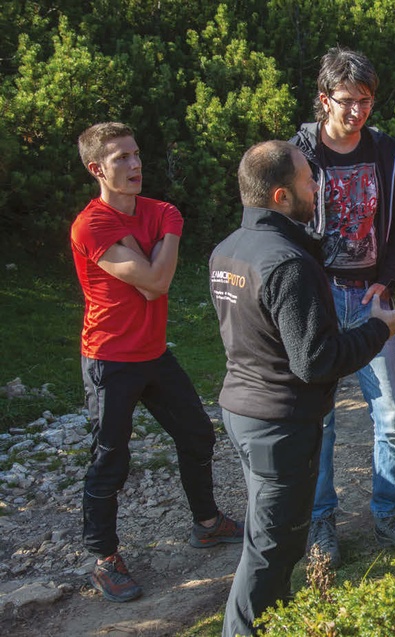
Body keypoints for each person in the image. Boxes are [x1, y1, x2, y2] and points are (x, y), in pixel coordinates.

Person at [211, 140, 395, 637]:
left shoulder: (228, 250)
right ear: (281, 195)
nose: (318, 185)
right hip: (279, 425)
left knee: (272, 542)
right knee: (271, 552)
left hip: (243, 410)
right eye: (309, 179)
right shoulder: (287, 263)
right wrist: (381, 329)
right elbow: (316, 362)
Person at [70, 122, 243, 604]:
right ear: (96, 169)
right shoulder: (94, 224)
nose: (134, 165)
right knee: (110, 458)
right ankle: (104, 558)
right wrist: (167, 237)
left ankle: (207, 523)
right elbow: (155, 282)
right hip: (109, 359)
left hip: (154, 353)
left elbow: (153, 275)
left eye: (136, 153)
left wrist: (163, 233)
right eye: (121, 158)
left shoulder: (159, 211)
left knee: (197, 434)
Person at [289, 47, 395, 564]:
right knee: (320, 417)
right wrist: (305, 288)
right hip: (319, 300)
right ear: (325, 99)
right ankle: (321, 523)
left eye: (366, 100)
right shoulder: (297, 152)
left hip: (371, 298)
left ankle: (388, 514)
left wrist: (388, 281)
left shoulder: (387, 152)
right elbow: (282, 223)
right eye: (347, 101)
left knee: (390, 412)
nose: (358, 111)